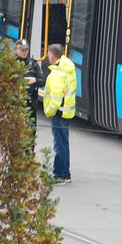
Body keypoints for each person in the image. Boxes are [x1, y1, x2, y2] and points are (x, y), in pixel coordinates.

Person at [43, 42, 76, 184]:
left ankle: (60, 175)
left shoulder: (57, 73)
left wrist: (48, 111)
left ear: (51, 55)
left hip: (58, 113)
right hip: (66, 112)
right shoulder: (68, 68)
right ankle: (66, 173)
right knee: (64, 143)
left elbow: (56, 98)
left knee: (59, 145)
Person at [15, 39, 44, 141]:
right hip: (15, 103)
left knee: (30, 131)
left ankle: (30, 155)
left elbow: (42, 81)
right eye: (22, 50)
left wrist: (34, 80)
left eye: (26, 49)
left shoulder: (33, 64)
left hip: (30, 102)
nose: (25, 52)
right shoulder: (10, 63)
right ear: (17, 49)